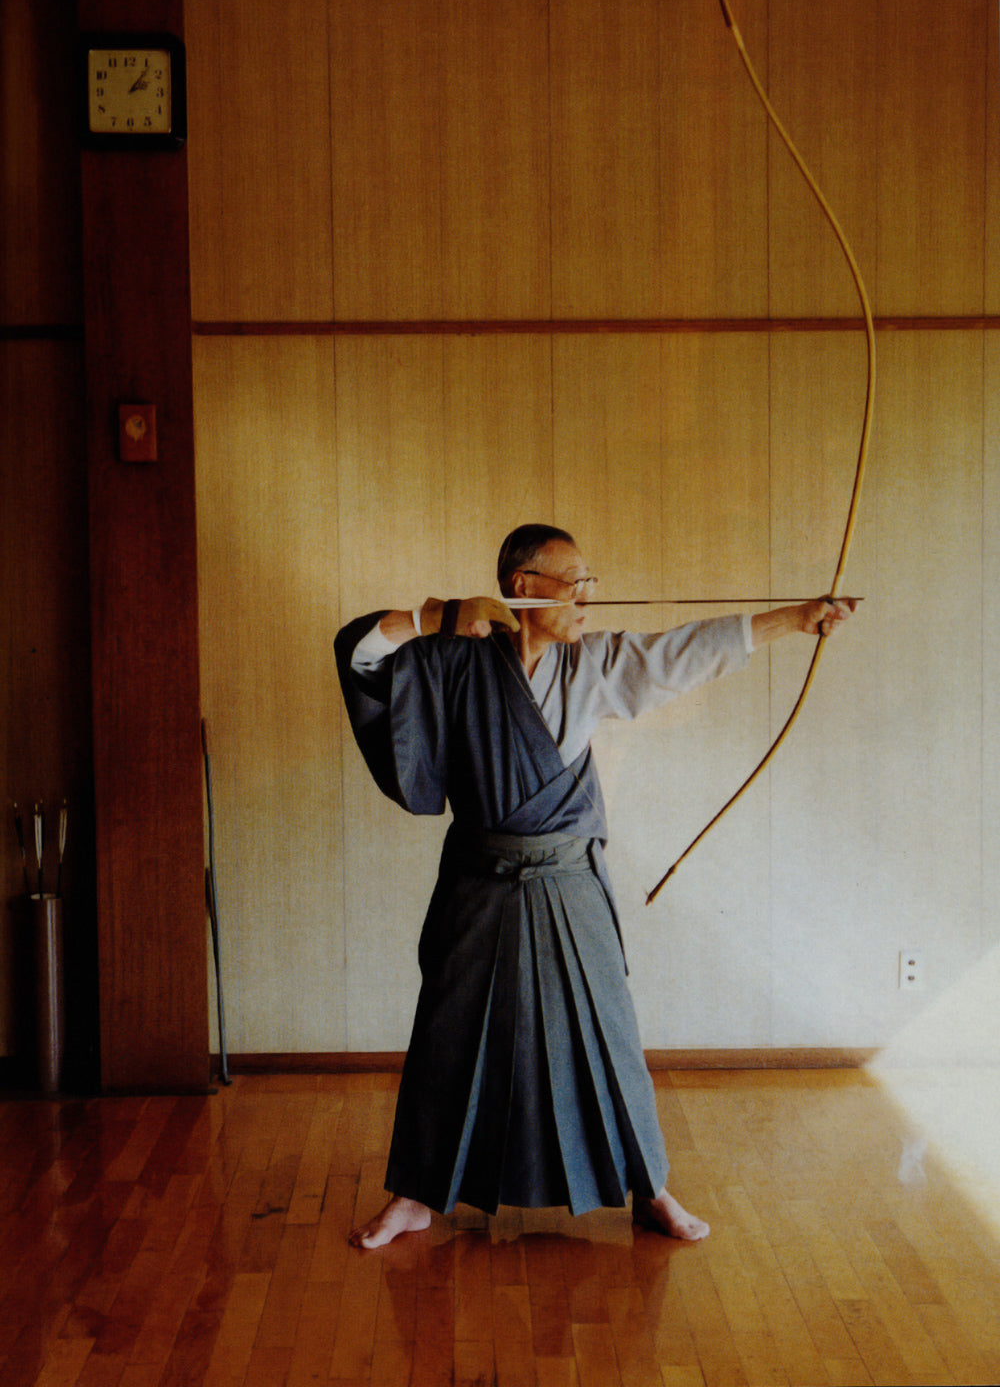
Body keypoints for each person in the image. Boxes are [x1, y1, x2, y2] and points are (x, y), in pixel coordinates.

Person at [335, 524, 856, 1248]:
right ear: (522, 587)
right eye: (574, 580)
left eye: (591, 582)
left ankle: (649, 1189)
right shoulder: (455, 658)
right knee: (450, 1032)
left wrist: (795, 619)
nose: (588, 596)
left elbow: (685, 651)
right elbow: (361, 654)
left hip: (568, 872)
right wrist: (429, 619)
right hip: (480, 877)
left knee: (605, 1030)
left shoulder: (594, 662)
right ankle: (417, 1194)